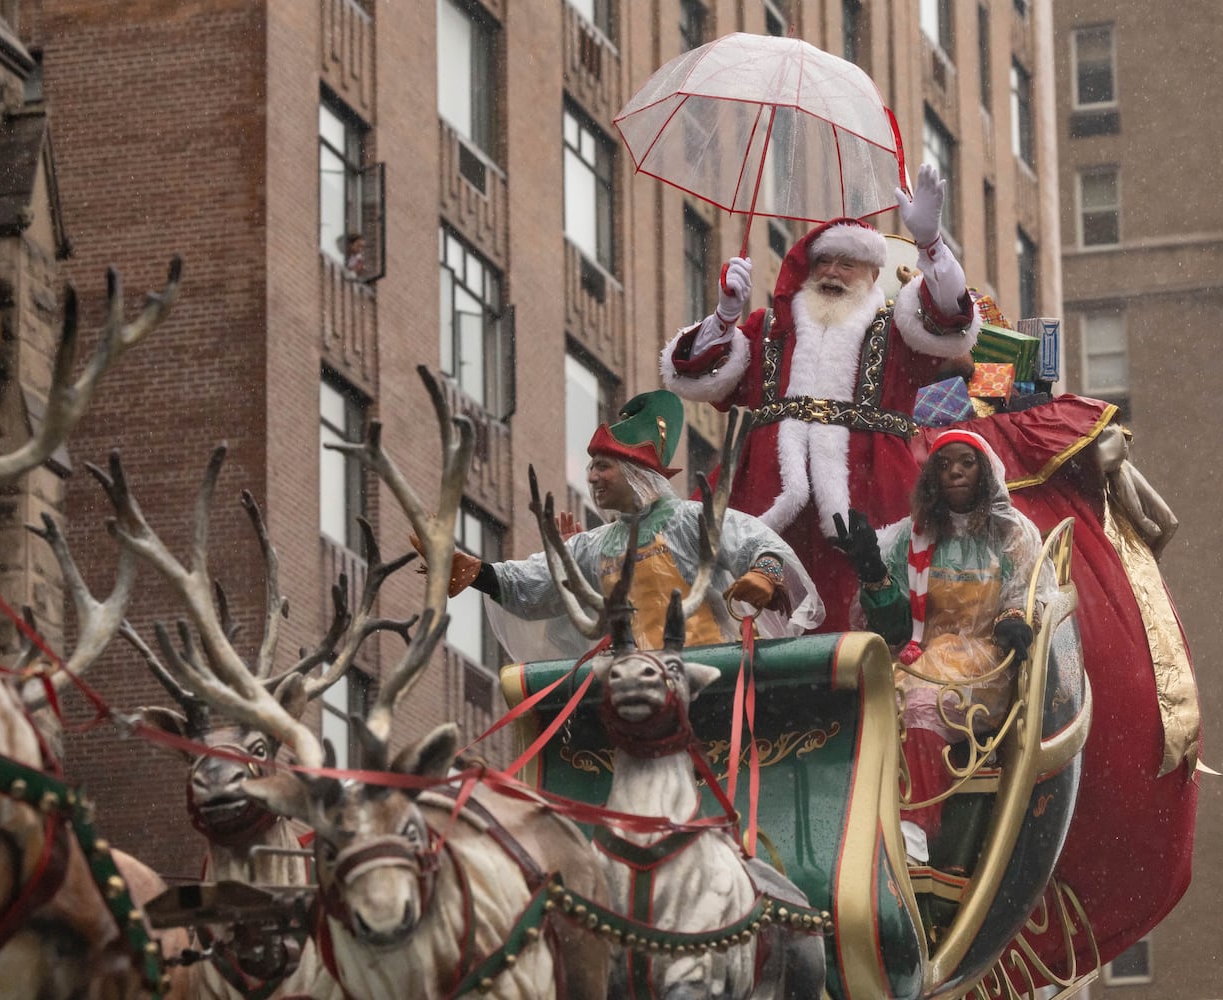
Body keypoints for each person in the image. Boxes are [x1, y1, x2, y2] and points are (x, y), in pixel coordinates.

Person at [659, 164, 980, 632]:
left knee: (871, 621)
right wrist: (726, 315)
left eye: (846, 264)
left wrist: (931, 246)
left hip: (871, 496)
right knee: (742, 620)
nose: (831, 273)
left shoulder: (896, 332)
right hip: (768, 496)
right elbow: (699, 374)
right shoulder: (770, 330)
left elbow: (949, 318)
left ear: (874, 273)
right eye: (823, 263)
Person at [439, 390, 823, 660]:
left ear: (637, 473)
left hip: (713, 674)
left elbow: (759, 543)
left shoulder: (693, 519)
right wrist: (479, 574)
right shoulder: (595, 545)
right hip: (641, 684)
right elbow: (537, 581)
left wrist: (764, 573)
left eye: (603, 466)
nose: (592, 478)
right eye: (591, 467)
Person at [831, 429, 1054, 859]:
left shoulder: (1012, 533)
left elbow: (1030, 594)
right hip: (919, 658)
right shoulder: (908, 537)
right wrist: (873, 570)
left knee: (917, 705)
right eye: (944, 463)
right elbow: (894, 631)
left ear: (985, 471)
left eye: (965, 463)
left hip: (986, 662)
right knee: (870, 707)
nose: (954, 471)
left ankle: (913, 834)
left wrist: (1015, 620)